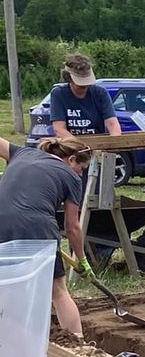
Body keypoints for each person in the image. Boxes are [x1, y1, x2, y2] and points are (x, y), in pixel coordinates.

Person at [0, 134, 93, 336]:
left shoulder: (21, 152)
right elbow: (72, 227)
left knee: (5, 286)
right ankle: (80, 347)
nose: (81, 174)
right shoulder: (71, 178)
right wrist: (82, 260)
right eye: (82, 168)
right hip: (37, 226)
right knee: (58, 292)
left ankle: (9, 342)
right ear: (71, 159)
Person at [49, 53, 121, 140]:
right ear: (68, 78)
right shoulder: (58, 94)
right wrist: (80, 146)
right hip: (69, 145)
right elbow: (59, 129)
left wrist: (115, 141)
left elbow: (112, 123)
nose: (84, 86)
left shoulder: (100, 93)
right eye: (80, 83)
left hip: (98, 144)